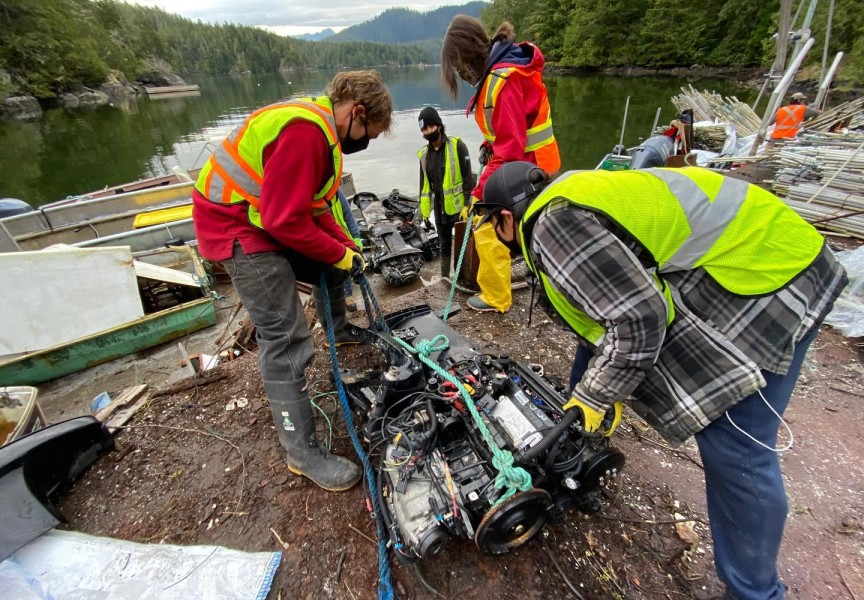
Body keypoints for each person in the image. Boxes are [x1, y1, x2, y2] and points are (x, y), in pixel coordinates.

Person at [474, 162, 847, 600]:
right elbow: (600, 315)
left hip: (771, 268)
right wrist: (586, 394)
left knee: (735, 444)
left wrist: (594, 396)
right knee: (734, 438)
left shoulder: (551, 226)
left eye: (491, 226)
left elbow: (639, 316)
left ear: (504, 217)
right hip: (763, 248)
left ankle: (756, 592)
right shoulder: (572, 198)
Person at [192, 70, 393, 492]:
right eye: (368, 134)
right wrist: (338, 251)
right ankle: (302, 453)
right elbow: (284, 220)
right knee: (285, 337)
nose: (365, 143)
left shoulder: (322, 128)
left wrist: (346, 249)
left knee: (336, 265)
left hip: (262, 217)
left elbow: (315, 208)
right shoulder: (306, 133)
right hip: (238, 227)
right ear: (356, 112)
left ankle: (337, 332)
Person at [441, 16, 560, 313]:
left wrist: (480, 192)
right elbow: (506, 131)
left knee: (484, 222)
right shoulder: (502, 73)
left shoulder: (502, 81)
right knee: (532, 228)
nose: (460, 72)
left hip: (528, 167)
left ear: (467, 56)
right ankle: (545, 282)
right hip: (533, 163)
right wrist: (487, 145)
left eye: (458, 65)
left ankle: (496, 297)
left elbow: (510, 150)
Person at [416, 106, 474, 279]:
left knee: (464, 244)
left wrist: (467, 204)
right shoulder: (424, 155)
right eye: (425, 129)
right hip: (440, 208)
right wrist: (424, 213)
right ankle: (444, 280)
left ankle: (464, 278)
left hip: (458, 208)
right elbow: (424, 186)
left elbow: (468, 179)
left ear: (439, 126)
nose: (429, 131)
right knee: (444, 245)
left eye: (431, 127)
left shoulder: (457, 146)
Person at [334, 188, 364, 312]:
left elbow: (348, 216)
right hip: (322, 240)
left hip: (342, 238)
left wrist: (356, 238)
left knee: (345, 268)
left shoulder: (336, 192)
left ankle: (348, 295)